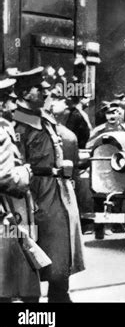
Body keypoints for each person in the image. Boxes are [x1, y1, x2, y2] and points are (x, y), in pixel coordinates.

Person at [12, 67, 85, 302]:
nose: (46, 91)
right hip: (34, 197)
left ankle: (60, 296)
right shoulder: (17, 125)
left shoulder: (44, 117)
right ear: (24, 93)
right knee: (29, 255)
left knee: (61, 250)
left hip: (58, 194)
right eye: (39, 89)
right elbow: (17, 166)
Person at [0, 77, 41, 303]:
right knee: (23, 283)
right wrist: (25, 173)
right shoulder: (2, 133)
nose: (14, 107)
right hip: (8, 217)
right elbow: (6, 178)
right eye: (10, 102)